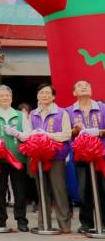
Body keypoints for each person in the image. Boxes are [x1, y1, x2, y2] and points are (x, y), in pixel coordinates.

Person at [28, 83, 72, 233]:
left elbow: (67, 134)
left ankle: (64, 224)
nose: (44, 95)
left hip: (56, 156)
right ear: (37, 96)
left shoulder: (62, 112)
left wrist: (48, 136)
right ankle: (43, 224)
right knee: (42, 191)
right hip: (38, 157)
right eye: (41, 93)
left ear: (53, 97)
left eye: (47, 93)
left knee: (59, 190)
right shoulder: (33, 113)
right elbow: (29, 133)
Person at [68, 80, 105, 234]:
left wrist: (99, 132)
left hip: (102, 154)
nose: (84, 87)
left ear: (91, 90)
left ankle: (103, 222)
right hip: (81, 155)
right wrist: (75, 131)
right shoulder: (68, 111)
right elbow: (65, 132)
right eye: (79, 86)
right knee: (84, 190)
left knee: (103, 189)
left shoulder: (102, 108)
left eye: (87, 85)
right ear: (74, 93)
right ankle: (86, 222)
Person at [0, 85, 29, 232]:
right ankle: (1, 220)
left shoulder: (20, 115)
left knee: (19, 190)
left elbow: (28, 135)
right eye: (1, 96)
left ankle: (21, 220)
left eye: (7, 95)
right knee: (0, 190)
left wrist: (17, 134)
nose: (4, 98)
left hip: (17, 158)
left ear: (11, 98)